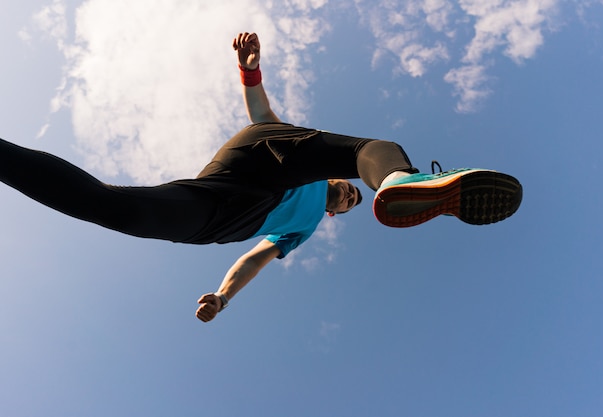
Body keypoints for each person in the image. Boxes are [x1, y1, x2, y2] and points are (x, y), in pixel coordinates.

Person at [0, 32, 522, 323]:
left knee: (117, 209)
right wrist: (251, 72)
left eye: (346, 199)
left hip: (223, 218)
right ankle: (399, 180)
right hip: (247, 169)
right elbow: (261, 115)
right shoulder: (315, 172)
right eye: (348, 191)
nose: (343, 193)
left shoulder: (306, 227)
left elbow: (254, 257)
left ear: (336, 214)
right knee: (363, 150)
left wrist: (224, 295)